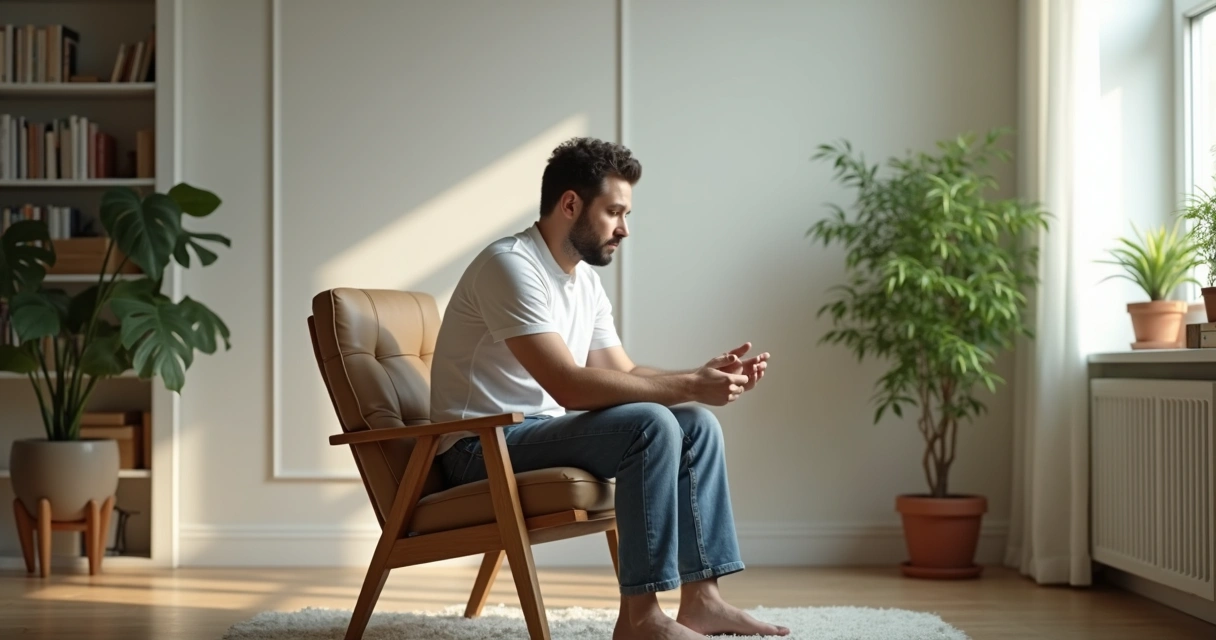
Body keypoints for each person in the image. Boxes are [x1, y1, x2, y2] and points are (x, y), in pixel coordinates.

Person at [430, 137, 789, 640]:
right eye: (614, 212)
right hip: (479, 447)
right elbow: (569, 386)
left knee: (695, 424)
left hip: (536, 434)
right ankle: (640, 618)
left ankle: (703, 600)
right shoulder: (510, 267)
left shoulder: (582, 281)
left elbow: (624, 372)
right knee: (651, 423)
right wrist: (687, 384)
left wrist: (701, 379)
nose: (624, 229)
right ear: (571, 204)